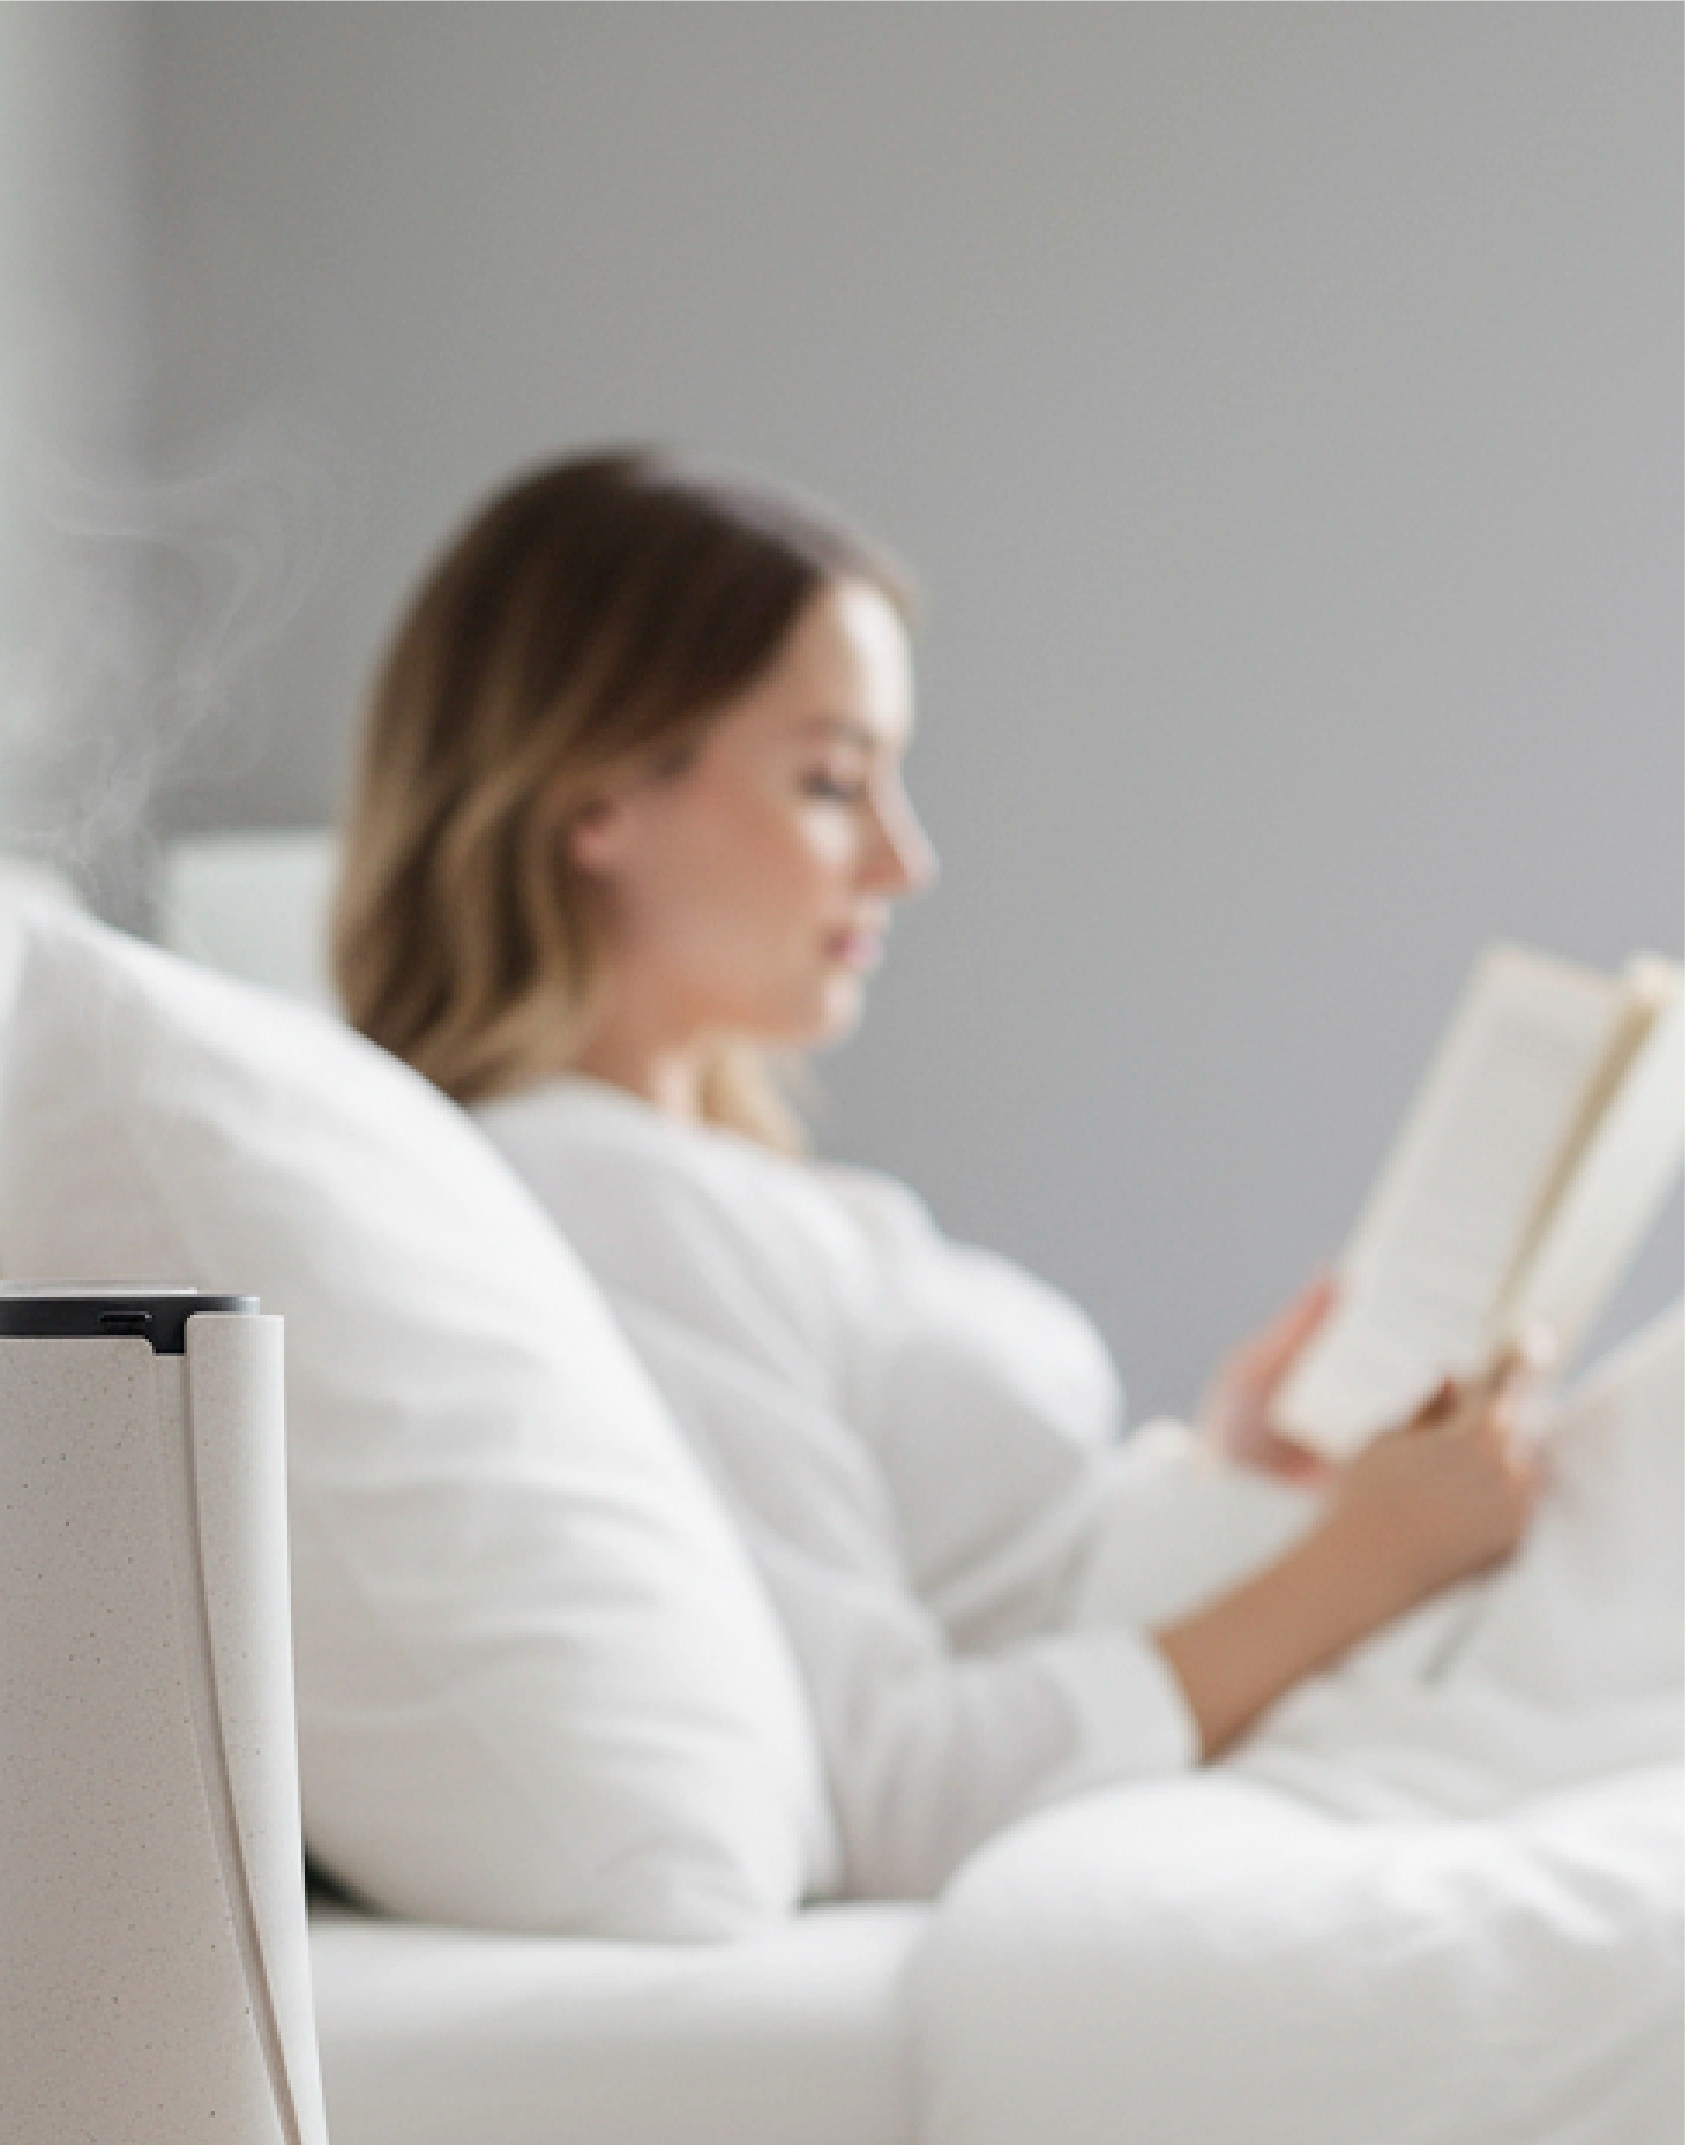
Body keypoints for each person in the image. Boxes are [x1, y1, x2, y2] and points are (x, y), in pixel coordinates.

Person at [333, 448, 1685, 1898]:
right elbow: (891, 1788)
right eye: (832, 781)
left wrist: (1229, 1468)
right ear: (591, 795)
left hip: (1332, 1645)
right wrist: (1361, 1560)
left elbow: (999, 1588)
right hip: (1339, 1681)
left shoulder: (709, 1185)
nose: (904, 860)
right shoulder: (593, 1197)